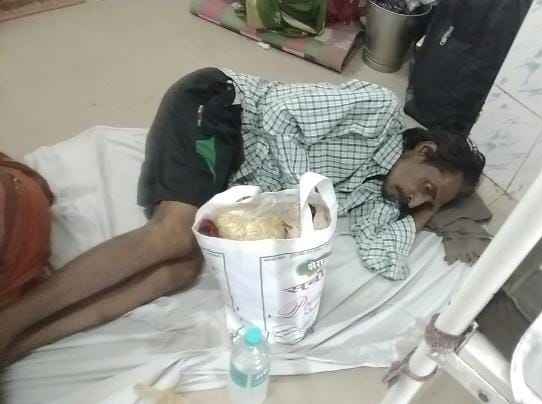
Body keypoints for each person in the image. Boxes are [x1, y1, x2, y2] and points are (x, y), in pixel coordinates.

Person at [0, 68, 485, 363]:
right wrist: (304, 191)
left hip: (230, 172)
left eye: (429, 201)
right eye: (426, 186)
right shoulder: (377, 110)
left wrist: (422, 212)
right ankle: (8, 323)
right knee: (173, 235)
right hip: (223, 108)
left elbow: (385, 257)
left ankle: (17, 346)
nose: (415, 199)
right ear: (423, 150)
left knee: (181, 271)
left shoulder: (375, 194)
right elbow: (278, 110)